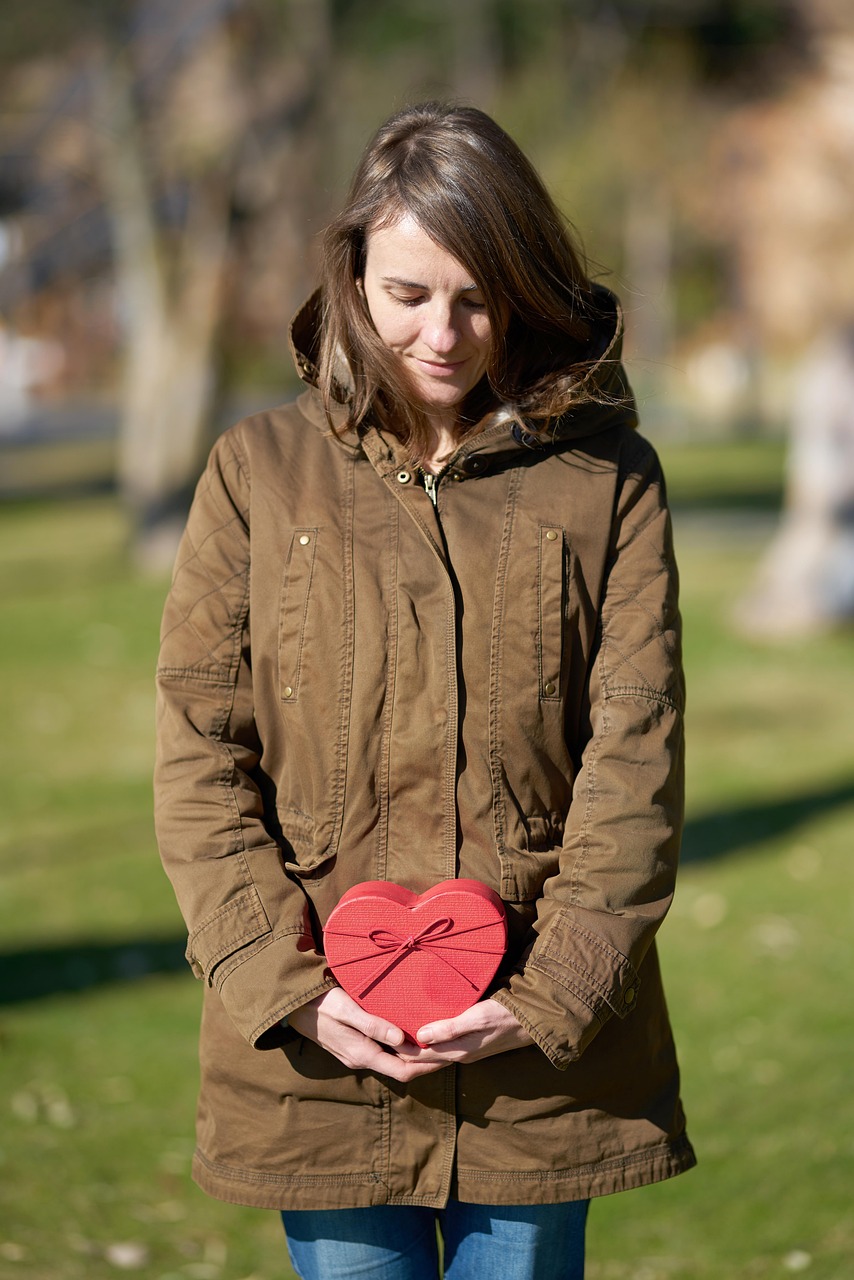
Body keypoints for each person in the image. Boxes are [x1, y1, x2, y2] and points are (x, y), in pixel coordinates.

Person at [154, 101, 696, 1280]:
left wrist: (550, 993)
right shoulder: (256, 474)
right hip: (318, 1055)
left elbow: (635, 753)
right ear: (352, 275)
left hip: (535, 1063)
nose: (441, 335)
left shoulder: (606, 478)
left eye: (476, 298)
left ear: (526, 292)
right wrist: (285, 987)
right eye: (406, 294)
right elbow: (200, 753)